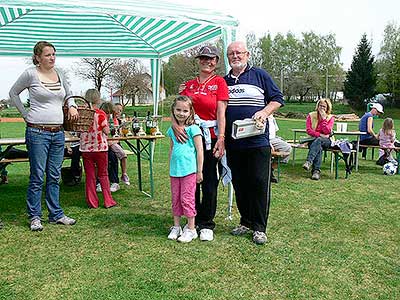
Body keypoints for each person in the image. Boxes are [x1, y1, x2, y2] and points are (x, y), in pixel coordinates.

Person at [9, 41, 78, 231]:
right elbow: (13, 93)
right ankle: (35, 217)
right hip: (37, 132)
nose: (52, 58)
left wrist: (71, 104)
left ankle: (56, 214)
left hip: (58, 134)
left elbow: (69, 93)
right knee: (38, 176)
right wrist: (25, 114)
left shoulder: (60, 74)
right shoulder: (30, 73)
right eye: (48, 55)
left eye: (54, 54)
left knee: (54, 175)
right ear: (37, 57)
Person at [224, 41, 284, 245]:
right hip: (234, 143)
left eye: (239, 52)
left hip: (257, 142)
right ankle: (246, 221)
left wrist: (264, 112)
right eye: (231, 53)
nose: (235, 56)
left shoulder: (260, 75)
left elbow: (277, 98)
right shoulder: (224, 82)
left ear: (247, 54)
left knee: (259, 183)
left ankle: (259, 227)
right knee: (240, 183)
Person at [177, 45, 229, 241]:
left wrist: (222, 138)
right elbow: (179, 108)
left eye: (212, 59)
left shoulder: (219, 83)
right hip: (190, 138)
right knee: (190, 180)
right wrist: (175, 126)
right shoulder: (189, 85)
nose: (207, 61)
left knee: (207, 178)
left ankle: (207, 222)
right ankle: (193, 218)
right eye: (204, 58)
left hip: (210, 137)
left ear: (216, 62)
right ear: (198, 60)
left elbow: (221, 112)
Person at [167, 95, 203, 243]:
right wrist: (170, 166)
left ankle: (191, 229)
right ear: (173, 110)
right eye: (178, 110)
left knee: (186, 199)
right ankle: (176, 226)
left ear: (190, 112)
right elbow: (171, 148)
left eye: (185, 110)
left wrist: (199, 171)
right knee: (175, 199)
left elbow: (199, 150)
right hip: (175, 171)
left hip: (189, 171)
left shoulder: (193, 129)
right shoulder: (172, 130)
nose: (181, 113)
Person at [80, 89, 117, 209]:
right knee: (103, 174)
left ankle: (92, 202)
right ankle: (108, 200)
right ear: (98, 98)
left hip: (86, 149)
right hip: (100, 148)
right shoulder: (100, 114)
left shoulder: (83, 114)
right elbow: (106, 130)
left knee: (90, 176)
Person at [302, 98, 335, 180]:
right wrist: (320, 134)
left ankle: (309, 161)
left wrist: (324, 119)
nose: (322, 108)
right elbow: (309, 130)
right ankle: (316, 172)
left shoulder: (330, 118)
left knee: (319, 141)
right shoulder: (311, 115)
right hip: (313, 140)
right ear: (317, 106)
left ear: (327, 108)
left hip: (327, 141)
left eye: (324, 106)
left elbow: (327, 131)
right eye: (320, 106)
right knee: (318, 146)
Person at [98, 101, 121, 192]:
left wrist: (113, 142)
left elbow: (118, 136)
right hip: (102, 145)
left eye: (110, 113)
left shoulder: (115, 121)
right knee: (103, 157)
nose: (108, 115)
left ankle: (115, 182)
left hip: (113, 144)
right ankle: (99, 182)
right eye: (106, 113)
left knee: (113, 156)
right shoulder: (99, 119)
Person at [268, 115, 292, 183]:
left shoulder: (272, 117)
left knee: (287, 148)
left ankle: (271, 169)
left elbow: (274, 132)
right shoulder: (262, 115)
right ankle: (267, 171)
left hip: (273, 138)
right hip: (264, 139)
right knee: (285, 148)